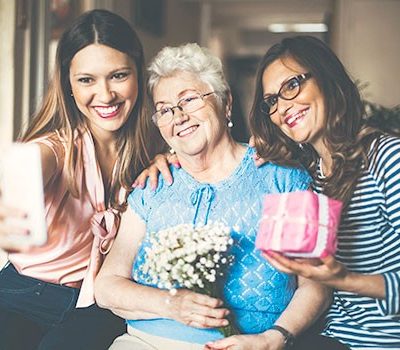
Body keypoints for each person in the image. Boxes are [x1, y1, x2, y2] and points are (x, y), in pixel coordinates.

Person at [95, 42, 331, 350]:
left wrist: (274, 338)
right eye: (164, 110)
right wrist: (171, 304)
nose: (177, 116)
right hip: (145, 342)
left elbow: (316, 285)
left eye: (189, 100)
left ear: (226, 102)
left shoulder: (279, 179)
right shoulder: (152, 187)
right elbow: (107, 286)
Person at [0, 9, 163, 350]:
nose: (105, 96)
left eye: (118, 75)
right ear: (68, 85)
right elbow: (28, 164)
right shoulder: (55, 148)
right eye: (87, 80)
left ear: (138, 74)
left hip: (98, 304)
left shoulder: (152, 152)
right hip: (23, 293)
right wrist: (17, 186)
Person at [250, 35, 400, 349]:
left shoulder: (388, 158)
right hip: (329, 336)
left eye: (292, 85)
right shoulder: (312, 175)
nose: (281, 108)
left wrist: (344, 279)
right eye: (271, 101)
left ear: (327, 78)